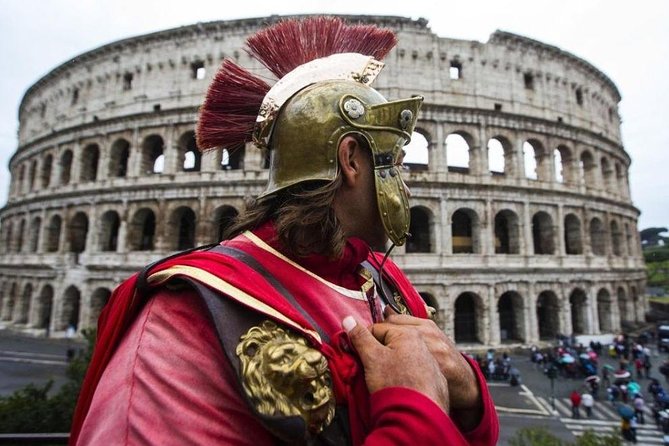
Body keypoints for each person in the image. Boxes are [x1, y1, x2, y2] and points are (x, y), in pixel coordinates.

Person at [69, 17, 499, 446]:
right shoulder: (182, 322)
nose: (407, 183)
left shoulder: (381, 278)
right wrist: (416, 410)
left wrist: (469, 397)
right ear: (351, 160)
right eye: (395, 162)